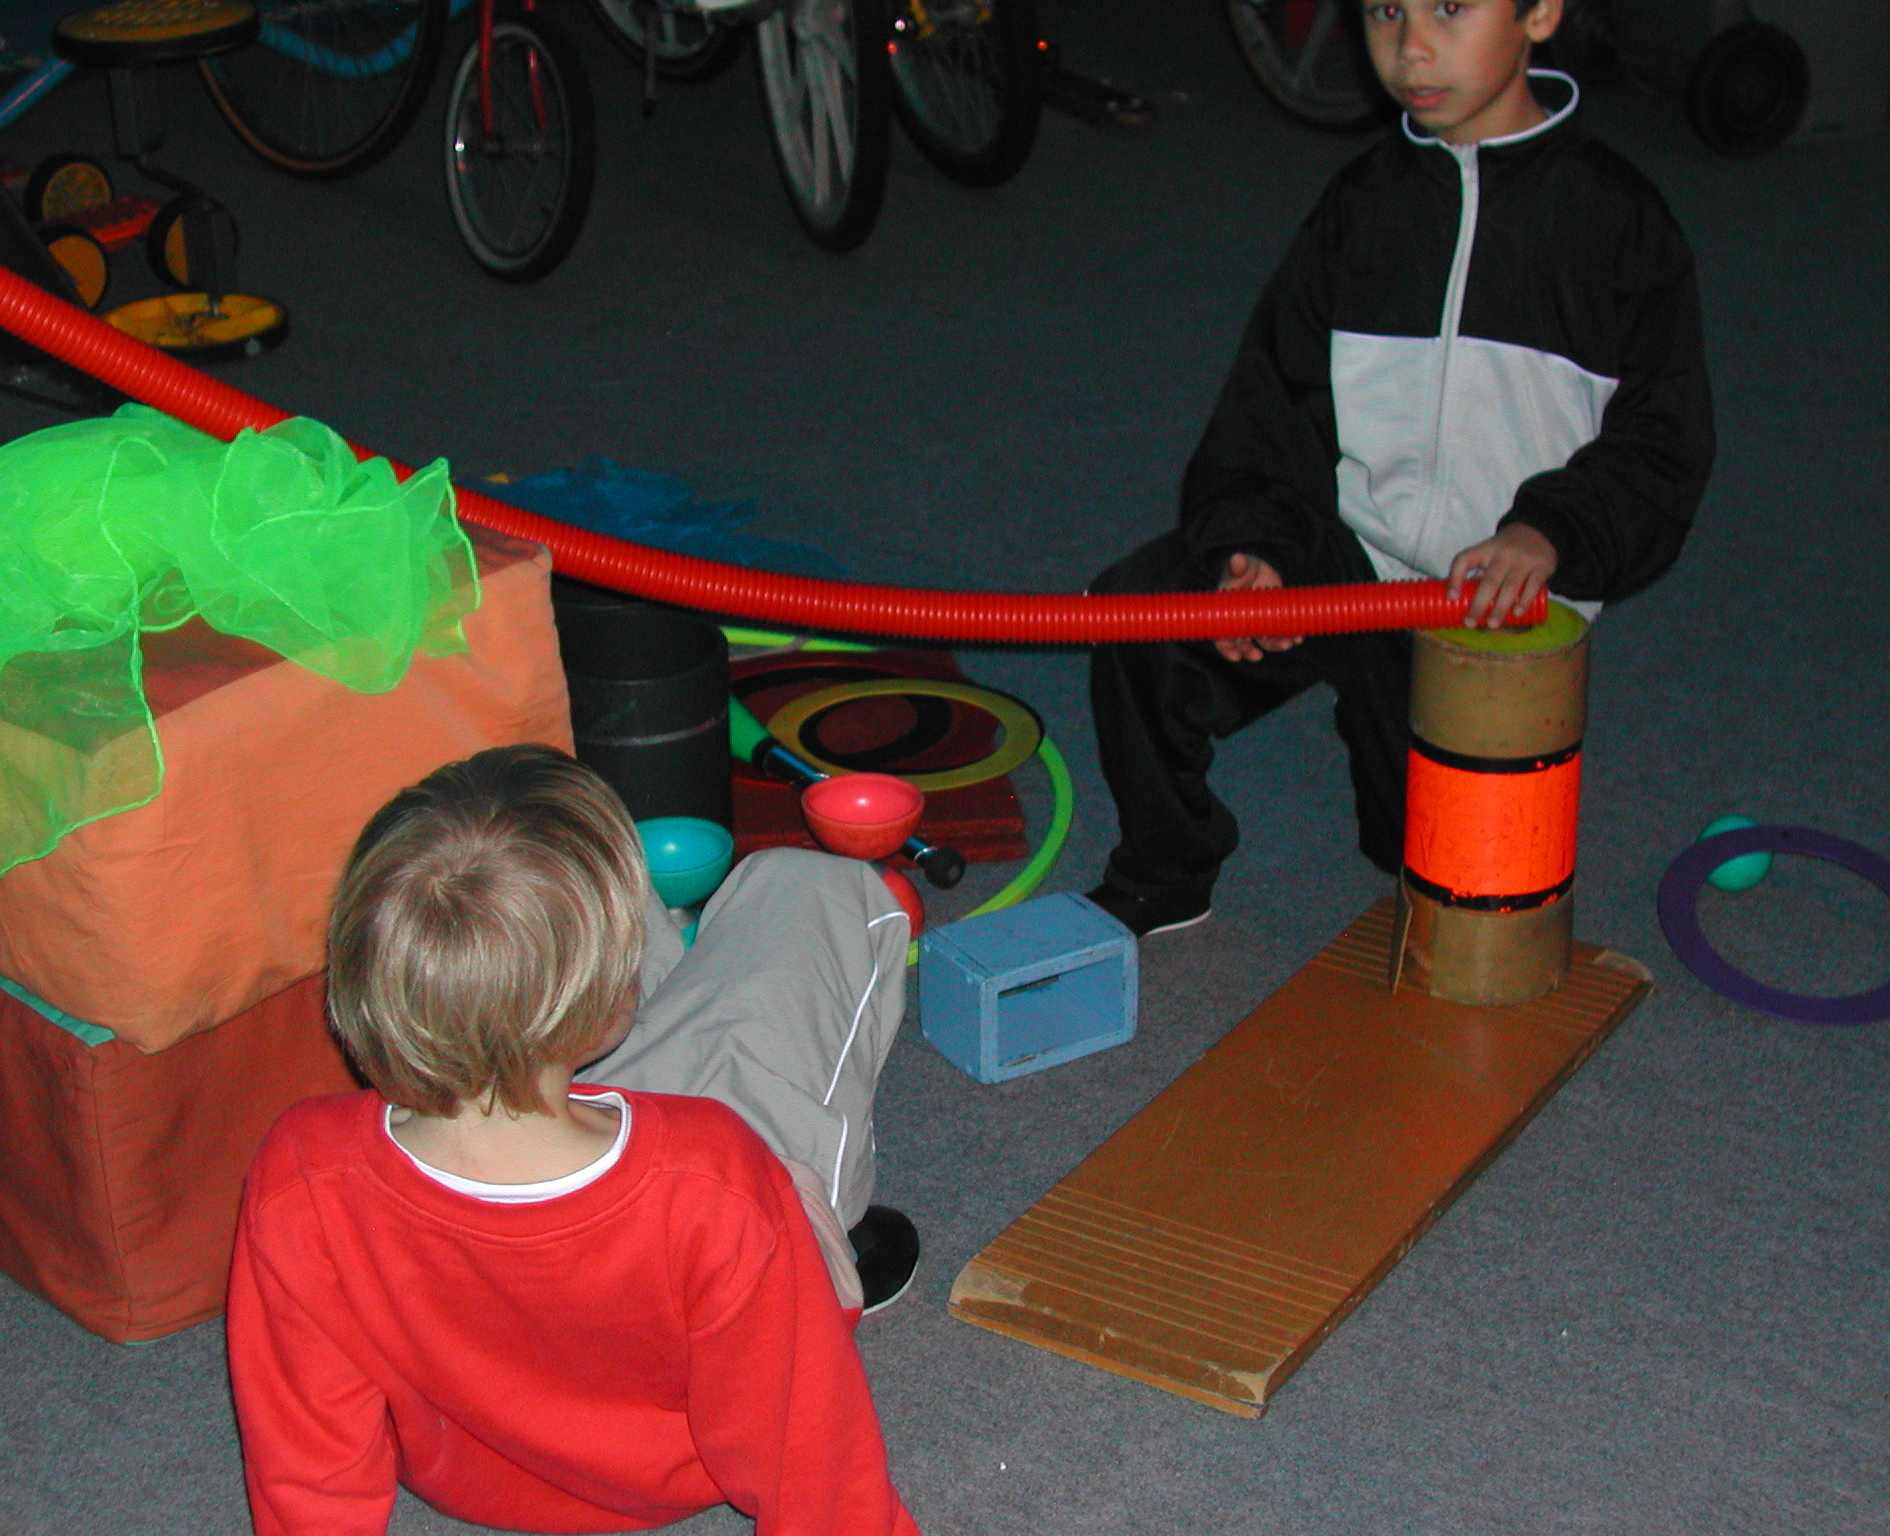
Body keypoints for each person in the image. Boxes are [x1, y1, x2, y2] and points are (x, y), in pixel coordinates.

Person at [1085, 0, 1715, 938]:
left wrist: (1549, 532)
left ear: (1541, 12)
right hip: (1352, 558)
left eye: (1450, 8)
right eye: (1386, 10)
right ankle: (1166, 870)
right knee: (1140, 613)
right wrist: (1256, 545)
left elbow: (1665, 442)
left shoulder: (1618, 223)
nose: (1411, 47)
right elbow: (1275, 398)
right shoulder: (1361, 207)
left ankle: (1389, 725)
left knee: (1437, 871)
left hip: (1493, 605)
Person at [226, 744, 923, 1535]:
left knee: (602, 922)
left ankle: (648, 948)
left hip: (468, 1476)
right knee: (811, 887)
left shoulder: (303, 1172)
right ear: (608, 997)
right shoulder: (713, 1168)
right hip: (685, 1450)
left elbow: (308, 1463)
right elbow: (811, 1457)